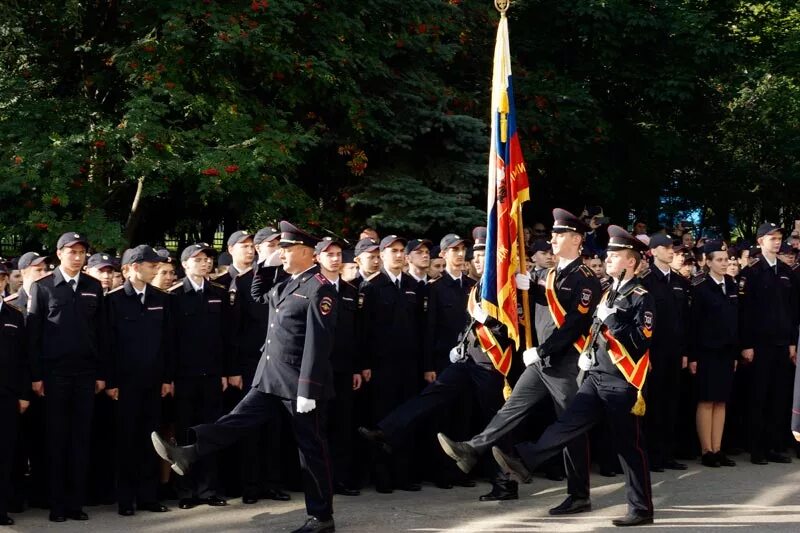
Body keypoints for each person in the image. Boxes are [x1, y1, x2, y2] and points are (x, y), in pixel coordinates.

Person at [152, 221, 338, 533]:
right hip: (269, 378)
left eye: (288, 248)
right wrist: (265, 264)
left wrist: (308, 388)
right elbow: (257, 295)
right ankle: (188, 452)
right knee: (235, 421)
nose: (283, 252)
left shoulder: (319, 287)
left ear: (306, 252)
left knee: (311, 450)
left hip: (298, 385)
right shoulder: (286, 282)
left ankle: (321, 517)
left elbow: (318, 343)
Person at [477, 225, 656, 527]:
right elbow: (593, 331)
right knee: (567, 424)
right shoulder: (608, 290)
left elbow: (642, 340)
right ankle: (525, 460)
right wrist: (588, 352)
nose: (608, 258)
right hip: (595, 376)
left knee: (628, 447)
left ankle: (641, 509)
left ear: (631, 261)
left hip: (622, 381)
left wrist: (616, 322)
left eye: (615, 255)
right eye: (608, 254)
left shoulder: (641, 297)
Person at [438, 209, 601, 516]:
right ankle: (472, 449)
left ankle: (579, 494)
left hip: (565, 363)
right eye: (552, 234)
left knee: (570, 429)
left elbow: (575, 324)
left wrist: (542, 350)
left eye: (559, 234)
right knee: (510, 408)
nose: (552, 239)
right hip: (541, 361)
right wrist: (530, 289)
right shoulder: (549, 275)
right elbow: (540, 308)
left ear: (577, 239)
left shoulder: (586, 278)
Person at [27, 232, 108, 522]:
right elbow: (34, 337)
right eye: (71, 251)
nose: (77, 256)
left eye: (81, 252)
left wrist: (101, 374)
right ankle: (57, 504)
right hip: (54, 375)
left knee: (81, 440)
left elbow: (102, 334)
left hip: (86, 374)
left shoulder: (93, 287)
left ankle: (76, 503)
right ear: (59, 254)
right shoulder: (43, 287)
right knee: (56, 440)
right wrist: (36, 376)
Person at [358, 235, 434, 493]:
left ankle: (404, 475)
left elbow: (424, 330)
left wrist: (426, 365)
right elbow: (364, 331)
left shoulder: (414, 286)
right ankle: (383, 477)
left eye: (402, 250)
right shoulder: (372, 287)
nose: (399, 255)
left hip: (409, 365)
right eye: (394, 251)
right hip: (381, 367)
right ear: (382, 255)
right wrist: (365, 363)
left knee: (406, 420)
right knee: (381, 419)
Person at [105, 245, 172, 516]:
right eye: (150, 264)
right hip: (125, 383)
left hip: (153, 382)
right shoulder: (114, 300)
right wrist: (111, 381)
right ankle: (125, 498)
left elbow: (168, 342)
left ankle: (148, 496)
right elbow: (107, 345)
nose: (154, 269)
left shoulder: (161, 298)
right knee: (126, 441)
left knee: (151, 439)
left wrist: (167, 378)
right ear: (131, 267)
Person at [227, 229, 289, 504]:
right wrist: (235, 368)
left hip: (280, 363)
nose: (276, 248)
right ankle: (250, 485)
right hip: (251, 362)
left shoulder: (288, 279)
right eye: (270, 245)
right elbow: (234, 331)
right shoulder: (242, 283)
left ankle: (272, 482)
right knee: (251, 424)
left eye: (279, 244)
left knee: (275, 426)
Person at [168, 243, 230, 509]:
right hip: (184, 376)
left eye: (208, 259)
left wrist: (226, 371)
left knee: (208, 431)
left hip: (212, 374)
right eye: (198, 259)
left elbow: (225, 337)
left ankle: (208, 489)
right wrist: (168, 376)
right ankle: (185, 492)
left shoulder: (218, 292)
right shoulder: (173, 295)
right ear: (185, 264)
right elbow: (168, 340)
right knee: (183, 433)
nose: (205, 263)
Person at [739, 222, 798, 464]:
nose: (777, 242)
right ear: (760, 241)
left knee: (778, 395)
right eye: (771, 238)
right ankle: (757, 448)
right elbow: (744, 312)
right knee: (759, 395)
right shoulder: (751, 273)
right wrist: (747, 344)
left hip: (782, 343)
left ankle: (774, 446)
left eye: (779, 238)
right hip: (759, 344)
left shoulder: (786, 272)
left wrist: (793, 343)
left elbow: (793, 311)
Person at [315, 237, 362, 496]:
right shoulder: (312, 287)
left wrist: (356, 367)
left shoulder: (350, 291)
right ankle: (319, 480)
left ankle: (341, 478)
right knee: (318, 426)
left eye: (337, 254)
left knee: (342, 425)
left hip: (343, 369)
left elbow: (355, 333)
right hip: (319, 368)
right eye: (329, 254)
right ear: (318, 258)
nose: (335, 258)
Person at [639, 234, 689, 472]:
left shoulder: (678, 280)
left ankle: (668, 453)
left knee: (671, 403)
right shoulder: (646, 280)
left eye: (673, 248)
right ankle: (652, 455)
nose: (671, 252)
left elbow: (684, 319)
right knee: (654, 404)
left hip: (674, 351)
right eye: (666, 248)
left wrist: (685, 351)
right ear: (652, 251)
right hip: (654, 352)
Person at [687, 240, 738, 468]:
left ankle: (718, 448)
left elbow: (736, 320)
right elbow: (694, 324)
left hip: (727, 351)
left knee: (721, 401)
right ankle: (706, 450)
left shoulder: (731, 283)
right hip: (706, 351)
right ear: (707, 262)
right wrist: (694, 356)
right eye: (719, 259)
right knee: (707, 400)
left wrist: (735, 352)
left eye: (726, 259)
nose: (724, 263)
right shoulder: (699, 286)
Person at [0, 263, 27, 526]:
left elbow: (22, 359)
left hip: (7, 395)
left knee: (5, 453)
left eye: (0, 278)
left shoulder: (14, 315)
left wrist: (22, 394)